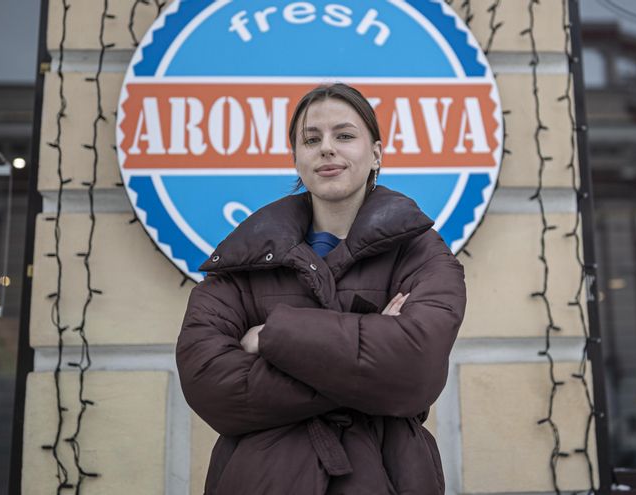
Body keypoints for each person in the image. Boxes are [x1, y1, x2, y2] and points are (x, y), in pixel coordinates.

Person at [176, 83, 466, 494]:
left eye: (344, 135)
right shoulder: (245, 259)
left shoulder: (419, 252)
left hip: (389, 476)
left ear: (377, 153)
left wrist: (273, 336)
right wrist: (366, 360)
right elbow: (208, 382)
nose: (327, 148)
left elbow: (414, 369)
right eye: (311, 139)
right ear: (296, 158)